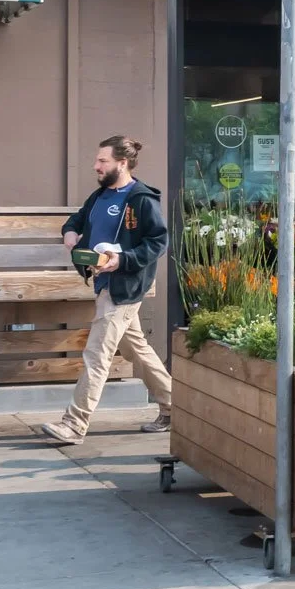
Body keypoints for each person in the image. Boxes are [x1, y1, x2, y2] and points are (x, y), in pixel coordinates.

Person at [40, 137, 173, 447]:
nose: (96, 166)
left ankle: (74, 424)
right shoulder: (100, 195)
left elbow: (157, 243)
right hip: (104, 284)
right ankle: (175, 405)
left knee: (97, 353)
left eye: (102, 161)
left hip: (123, 287)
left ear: (121, 163)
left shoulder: (141, 199)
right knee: (134, 348)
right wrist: (70, 232)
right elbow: (78, 219)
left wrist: (122, 259)